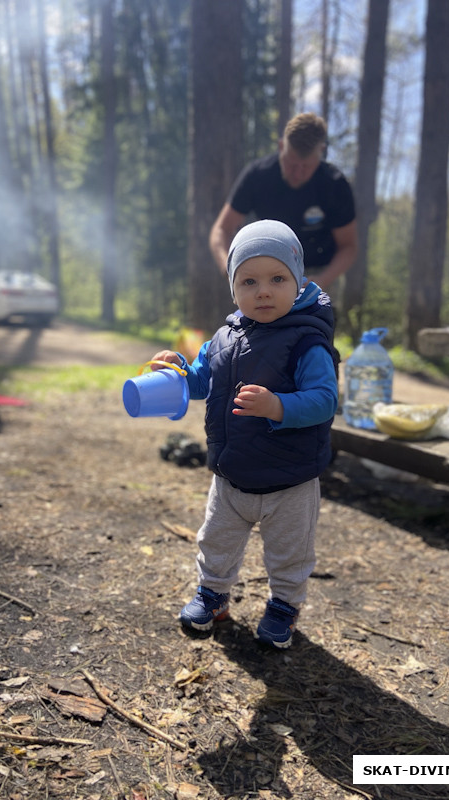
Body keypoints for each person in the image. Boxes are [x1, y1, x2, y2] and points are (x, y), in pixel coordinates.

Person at [150, 219, 338, 648]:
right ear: (233, 287)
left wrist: (278, 406)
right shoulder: (222, 338)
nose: (263, 291)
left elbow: (325, 399)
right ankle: (213, 594)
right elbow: (202, 382)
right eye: (248, 280)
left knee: (289, 552)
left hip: (290, 480)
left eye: (277, 278)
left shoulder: (306, 341)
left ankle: (284, 606)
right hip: (232, 474)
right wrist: (178, 370)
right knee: (216, 540)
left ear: (298, 280)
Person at [209, 112, 358, 295]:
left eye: (306, 166)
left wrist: (321, 281)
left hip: (319, 274)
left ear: (321, 151)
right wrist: (230, 270)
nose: (298, 173)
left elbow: (348, 247)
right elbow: (221, 230)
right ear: (281, 147)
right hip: (263, 272)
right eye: (291, 164)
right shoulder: (257, 176)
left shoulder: (335, 185)